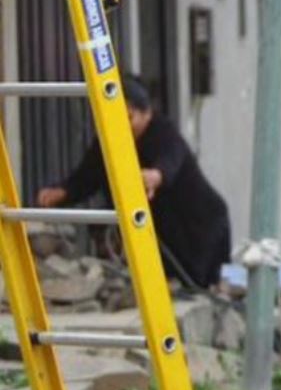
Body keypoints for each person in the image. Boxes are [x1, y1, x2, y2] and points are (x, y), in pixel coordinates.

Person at [36, 75, 231, 289]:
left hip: (200, 226)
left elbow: (172, 158)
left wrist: (156, 176)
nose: (123, 125)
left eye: (129, 117)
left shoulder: (162, 131)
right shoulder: (109, 141)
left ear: (146, 113)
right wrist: (61, 192)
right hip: (160, 231)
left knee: (198, 285)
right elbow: (86, 177)